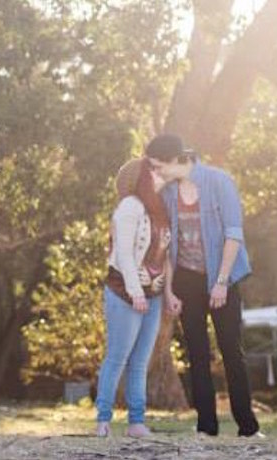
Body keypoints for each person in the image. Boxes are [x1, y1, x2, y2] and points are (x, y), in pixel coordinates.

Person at [156, 134, 263, 438]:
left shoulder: (219, 181)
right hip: (187, 278)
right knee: (197, 353)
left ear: (177, 159)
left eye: (160, 165)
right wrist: (169, 290)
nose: (158, 171)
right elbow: (166, 246)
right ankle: (206, 426)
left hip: (222, 275)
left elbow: (233, 234)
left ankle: (248, 426)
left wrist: (221, 282)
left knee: (231, 349)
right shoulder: (167, 194)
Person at [94, 138, 187, 438]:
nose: (161, 176)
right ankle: (103, 421)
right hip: (124, 291)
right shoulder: (129, 207)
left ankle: (136, 423)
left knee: (140, 361)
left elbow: (166, 256)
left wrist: (168, 292)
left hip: (153, 295)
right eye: (155, 173)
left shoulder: (161, 212)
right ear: (140, 178)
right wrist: (134, 292)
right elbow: (123, 254)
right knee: (117, 357)